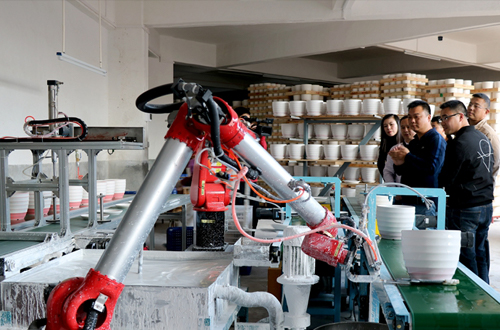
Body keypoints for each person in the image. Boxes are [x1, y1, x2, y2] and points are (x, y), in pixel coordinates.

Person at [438, 100, 494, 283]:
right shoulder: (481, 137)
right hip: (485, 206)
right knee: (481, 253)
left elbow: (447, 178)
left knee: (466, 257)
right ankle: (485, 297)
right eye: (441, 118)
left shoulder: (459, 143)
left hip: (466, 209)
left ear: (460, 116)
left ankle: (471, 299)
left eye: (446, 117)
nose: (443, 122)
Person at [389, 100, 446, 216]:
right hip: (409, 200)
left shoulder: (435, 139)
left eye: (416, 117)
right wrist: (398, 163)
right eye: (410, 117)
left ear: (428, 117)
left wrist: (407, 156)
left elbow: (431, 169)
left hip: (426, 203)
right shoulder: (415, 142)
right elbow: (405, 172)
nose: (412, 121)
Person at [467, 93, 500, 182]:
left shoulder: (488, 134)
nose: (471, 108)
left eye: (476, 106)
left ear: (486, 112)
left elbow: (495, 164)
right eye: (470, 104)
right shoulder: (463, 128)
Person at [383, 116, 415, 183]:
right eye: (403, 128)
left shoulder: (422, 147)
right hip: (400, 190)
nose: (405, 130)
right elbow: (388, 171)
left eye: (408, 127)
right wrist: (393, 189)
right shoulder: (395, 148)